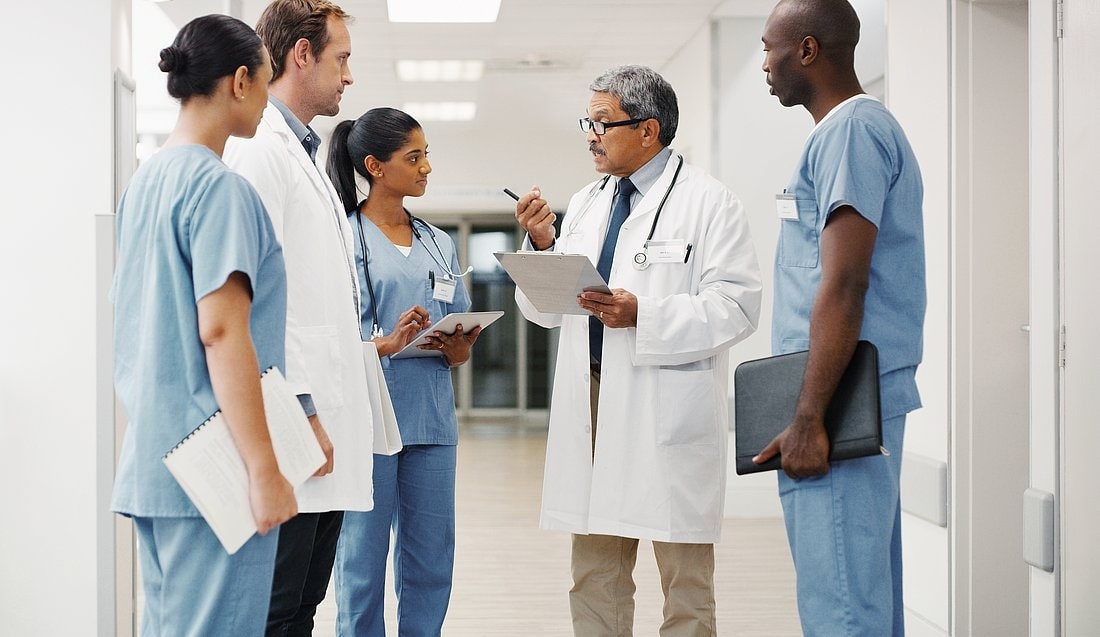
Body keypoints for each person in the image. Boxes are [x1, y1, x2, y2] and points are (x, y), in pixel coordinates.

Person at [512, 65, 762, 635]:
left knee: (686, 582)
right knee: (595, 573)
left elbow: (737, 305)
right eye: (588, 122)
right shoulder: (586, 202)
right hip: (593, 397)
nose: (590, 136)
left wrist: (644, 314)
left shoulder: (709, 202)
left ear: (648, 130)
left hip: (665, 401)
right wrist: (543, 247)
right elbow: (552, 310)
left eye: (602, 123)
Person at [110, 14, 297, 634]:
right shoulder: (220, 190)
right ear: (240, 81)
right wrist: (265, 467)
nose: (268, 101)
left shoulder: (147, 182)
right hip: (216, 468)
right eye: (268, 84)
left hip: (157, 459)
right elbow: (221, 333)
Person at [753, 1, 926, 634]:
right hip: (849, 398)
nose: (764, 65)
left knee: (843, 609)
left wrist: (808, 418)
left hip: (838, 406)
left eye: (769, 48)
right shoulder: (846, 133)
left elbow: (846, 283)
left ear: (806, 50)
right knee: (861, 599)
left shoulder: (852, 132)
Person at [222, 1, 380, 634]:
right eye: (341, 59)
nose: (349, 76)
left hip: (318, 427)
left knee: (301, 606)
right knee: (277, 609)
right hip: (294, 424)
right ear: (302, 54)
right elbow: (253, 301)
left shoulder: (301, 155)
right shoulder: (262, 154)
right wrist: (304, 410)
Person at [324, 106, 481, 635]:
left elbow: (456, 327)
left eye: (426, 155)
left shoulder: (439, 241)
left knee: (431, 561)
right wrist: (385, 343)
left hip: (432, 423)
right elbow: (326, 337)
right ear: (374, 165)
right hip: (370, 424)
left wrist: (458, 349)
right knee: (362, 564)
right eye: (414, 158)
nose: (426, 168)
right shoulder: (342, 240)